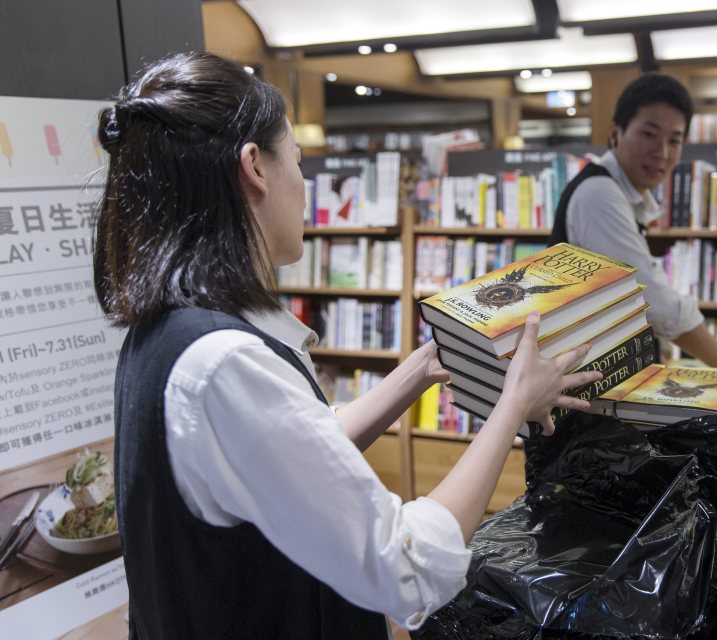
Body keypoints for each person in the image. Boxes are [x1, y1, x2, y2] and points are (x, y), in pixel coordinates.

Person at [94, 51, 601, 639]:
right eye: (300, 162)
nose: (305, 187)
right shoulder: (223, 360)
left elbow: (293, 459)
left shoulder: (171, 331)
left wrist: (422, 367)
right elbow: (405, 568)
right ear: (254, 167)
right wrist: (513, 403)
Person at [549, 73, 717, 369]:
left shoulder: (621, 194)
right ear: (616, 132)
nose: (661, 153)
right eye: (649, 135)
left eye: (674, 141)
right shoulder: (599, 194)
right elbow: (653, 301)